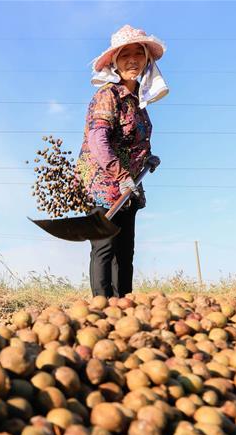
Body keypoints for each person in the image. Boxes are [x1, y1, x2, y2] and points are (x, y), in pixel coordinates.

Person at [75, 25, 169, 298]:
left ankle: (123, 308)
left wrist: (147, 158)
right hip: (104, 184)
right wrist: (121, 175)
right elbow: (98, 141)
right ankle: (100, 309)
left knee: (125, 250)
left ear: (146, 59)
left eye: (137, 54)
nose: (132, 60)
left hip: (128, 188)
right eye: (124, 54)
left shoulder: (138, 103)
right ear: (114, 62)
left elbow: (132, 141)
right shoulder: (108, 96)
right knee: (104, 248)